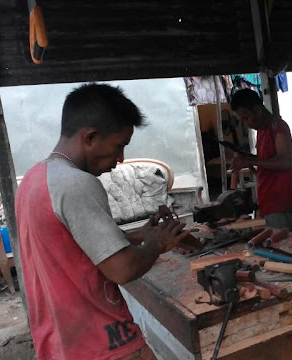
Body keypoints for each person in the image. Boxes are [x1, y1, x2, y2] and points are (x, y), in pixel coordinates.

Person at [15, 83, 190, 360]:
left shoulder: (34, 180)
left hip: (63, 343)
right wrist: (156, 244)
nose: (120, 159)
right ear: (91, 137)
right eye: (119, 146)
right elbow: (122, 269)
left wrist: (139, 235)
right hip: (105, 345)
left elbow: (69, 245)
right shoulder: (77, 184)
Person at [230, 89, 292, 232]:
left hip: (281, 202)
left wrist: (251, 161)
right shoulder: (261, 130)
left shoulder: (278, 127)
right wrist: (247, 159)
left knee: (286, 245)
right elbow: (266, 160)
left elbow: (285, 162)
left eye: (246, 117)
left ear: (258, 109)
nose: (246, 124)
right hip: (269, 200)